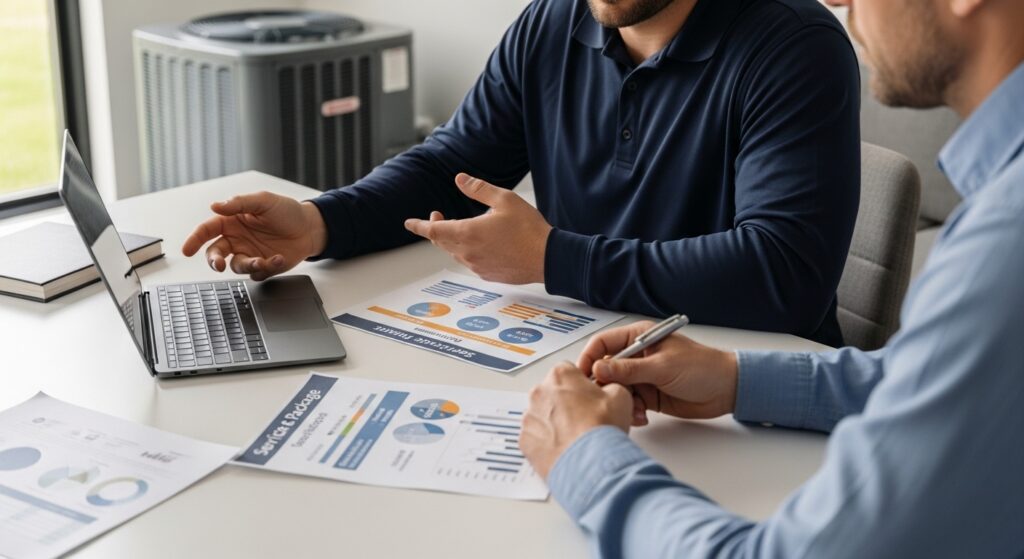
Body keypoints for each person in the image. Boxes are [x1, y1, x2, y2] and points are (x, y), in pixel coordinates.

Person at [519, 0, 1024, 556]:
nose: (840, 2)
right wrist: (739, 379)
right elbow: (931, 378)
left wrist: (585, 458)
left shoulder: (1005, 239)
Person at [181, 0, 861, 346]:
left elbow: (785, 275)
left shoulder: (794, 47)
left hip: (743, 400)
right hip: (586, 359)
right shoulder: (552, 21)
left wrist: (554, 257)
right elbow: (451, 164)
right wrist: (322, 221)